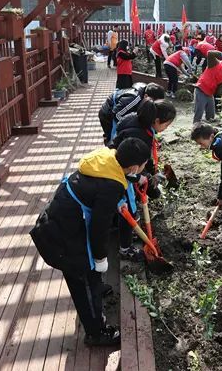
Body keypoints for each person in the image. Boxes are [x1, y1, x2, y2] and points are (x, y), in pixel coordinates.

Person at [29, 137, 152, 346]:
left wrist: (135, 178)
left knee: (91, 277)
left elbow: (111, 181)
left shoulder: (107, 158)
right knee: (85, 278)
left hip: (60, 220)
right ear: (132, 166)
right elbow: (99, 227)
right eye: (141, 168)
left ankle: (95, 287)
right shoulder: (110, 187)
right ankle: (96, 333)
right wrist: (100, 257)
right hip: (62, 240)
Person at [110, 100, 177, 258]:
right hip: (120, 172)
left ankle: (118, 227)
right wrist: (140, 177)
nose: (165, 129)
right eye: (166, 126)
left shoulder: (138, 121)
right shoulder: (140, 135)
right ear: (157, 121)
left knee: (126, 208)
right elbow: (130, 164)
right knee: (129, 211)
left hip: (118, 164)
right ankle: (125, 249)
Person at [98, 82, 166, 145]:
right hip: (108, 114)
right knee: (113, 139)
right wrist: (129, 125)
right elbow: (117, 114)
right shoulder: (134, 99)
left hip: (120, 110)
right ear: (146, 96)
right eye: (154, 102)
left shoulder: (146, 93)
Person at [192, 57, 222, 123]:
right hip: (201, 89)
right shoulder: (214, 64)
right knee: (199, 111)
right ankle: (196, 125)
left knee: (211, 114)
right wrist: (221, 54)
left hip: (210, 93)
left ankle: (209, 123)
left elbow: (219, 91)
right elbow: (210, 54)